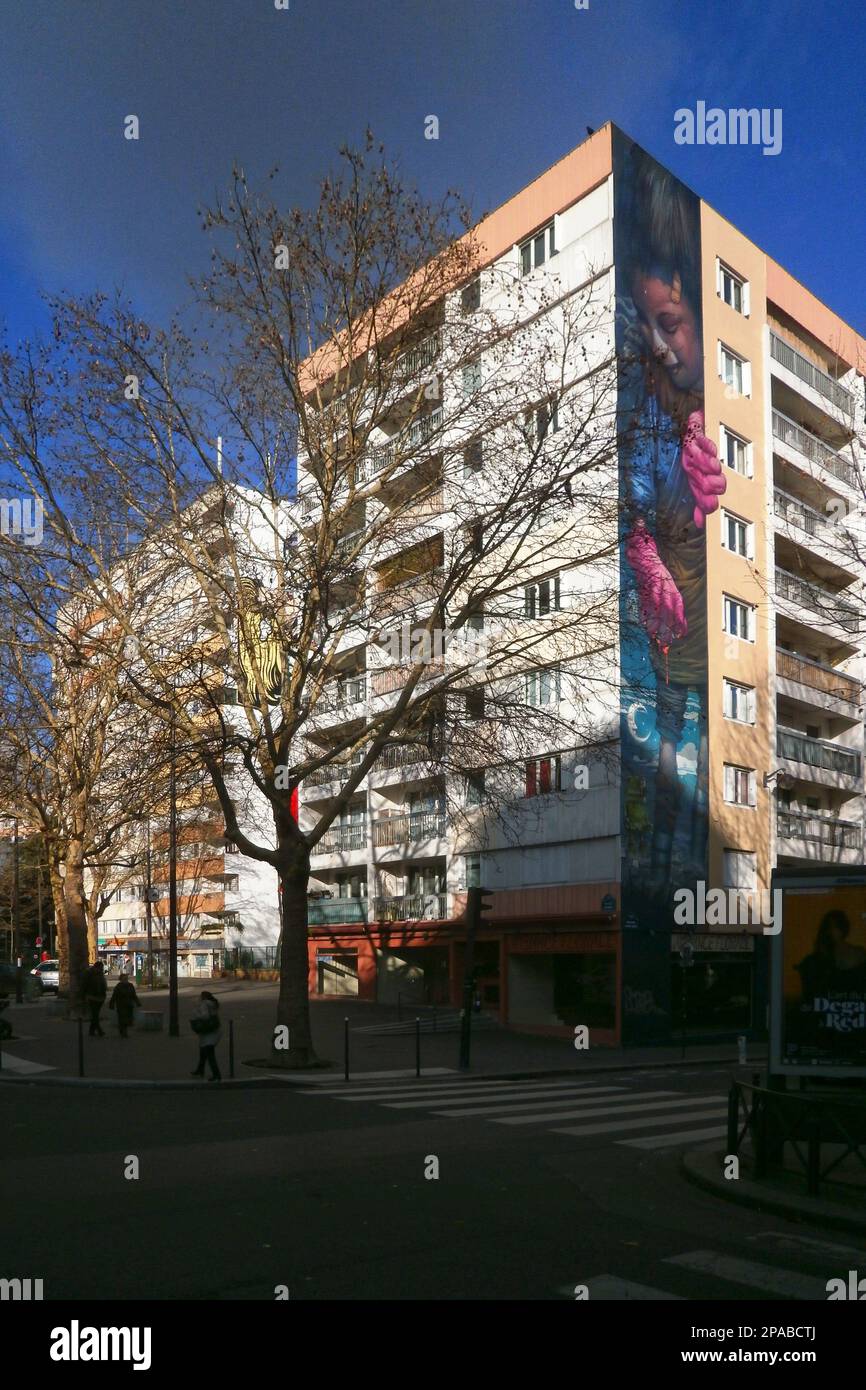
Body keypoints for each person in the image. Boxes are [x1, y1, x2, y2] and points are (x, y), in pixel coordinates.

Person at [190, 990, 222, 1081]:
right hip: (214, 1029)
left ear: (203, 997)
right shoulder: (213, 1003)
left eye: (200, 996)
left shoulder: (204, 1004)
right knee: (203, 1052)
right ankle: (200, 1070)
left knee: (209, 1053)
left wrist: (196, 1015)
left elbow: (205, 1016)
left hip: (208, 1032)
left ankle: (216, 1075)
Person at [109, 973, 140, 1039]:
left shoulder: (130, 985)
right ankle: (123, 1031)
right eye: (124, 979)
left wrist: (137, 1002)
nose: (125, 980)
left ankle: (123, 1030)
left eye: (126, 979)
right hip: (121, 1005)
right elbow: (114, 996)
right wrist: (111, 1004)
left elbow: (134, 995)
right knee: (122, 1018)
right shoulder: (118, 986)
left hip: (129, 1005)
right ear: (121, 980)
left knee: (128, 1018)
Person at [83, 960, 107, 1038]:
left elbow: (103, 984)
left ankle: (92, 1030)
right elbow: (85, 985)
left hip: (100, 997)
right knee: (95, 1015)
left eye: (102, 968)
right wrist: (84, 995)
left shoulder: (100, 974)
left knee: (95, 1014)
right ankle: (99, 1030)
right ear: (96, 967)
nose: (101, 969)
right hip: (92, 997)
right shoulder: (89, 973)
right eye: (100, 968)